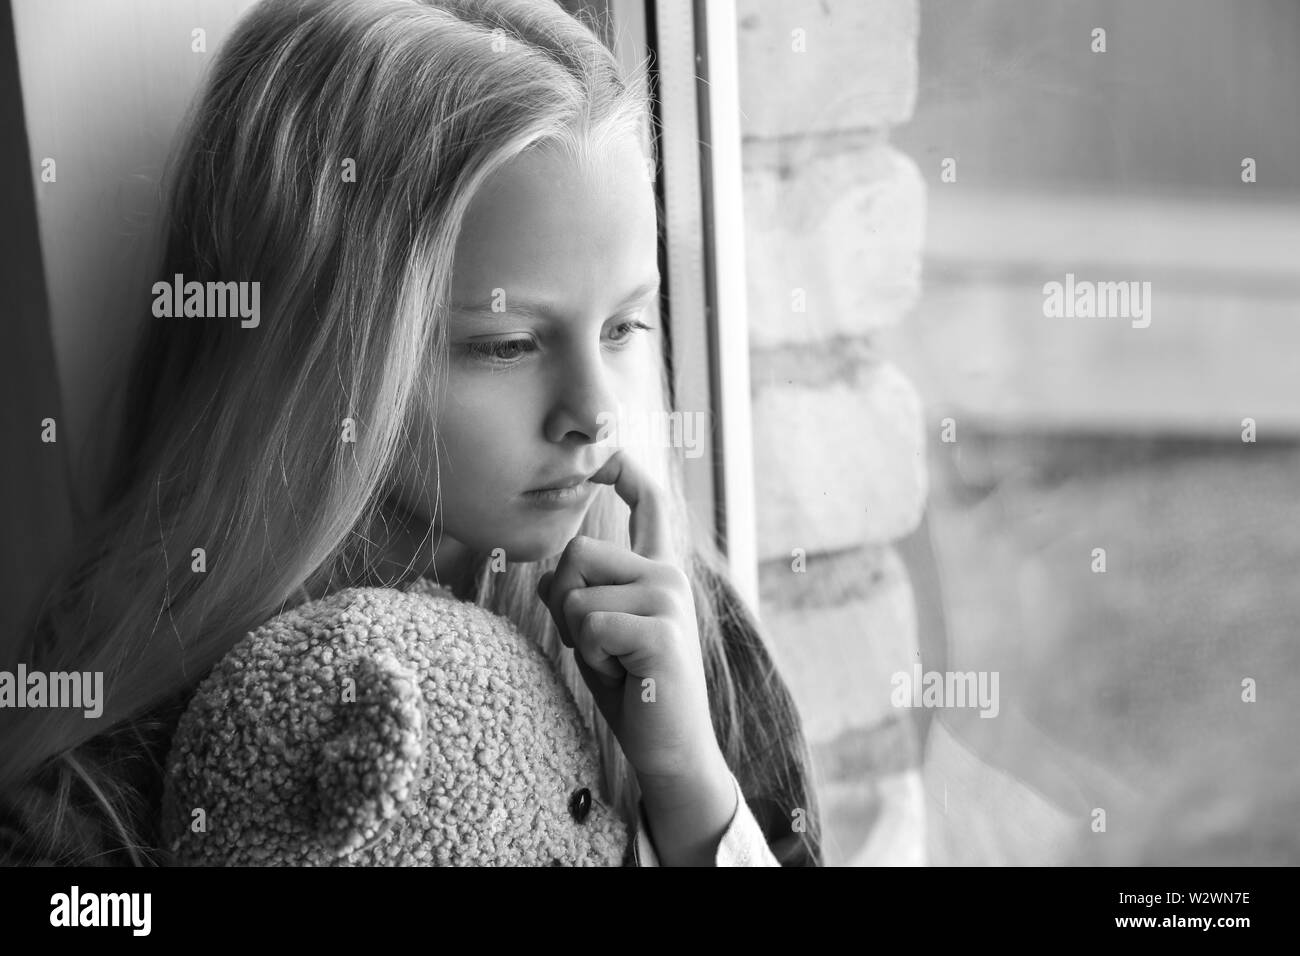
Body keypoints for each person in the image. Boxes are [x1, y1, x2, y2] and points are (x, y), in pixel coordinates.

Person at [0, 0, 821, 867]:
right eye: (505, 344)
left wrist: (687, 783)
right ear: (308, 351)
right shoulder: (118, 745)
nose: (598, 413)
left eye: (623, 328)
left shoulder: (678, 634)